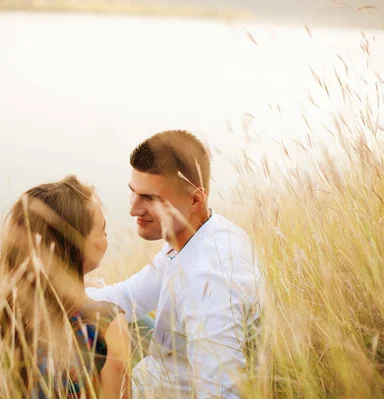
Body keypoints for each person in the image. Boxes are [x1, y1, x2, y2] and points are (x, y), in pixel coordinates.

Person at [86, 130, 260, 398]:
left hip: (160, 391)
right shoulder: (192, 235)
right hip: (156, 372)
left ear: (195, 200)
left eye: (150, 198)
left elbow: (221, 393)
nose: (133, 209)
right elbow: (130, 296)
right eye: (133, 193)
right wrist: (55, 295)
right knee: (94, 297)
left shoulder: (209, 281)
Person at [0, 176, 131, 399]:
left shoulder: (0, 305)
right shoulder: (108, 325)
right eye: (102, 230)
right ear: (75, 246)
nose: (106, 235)